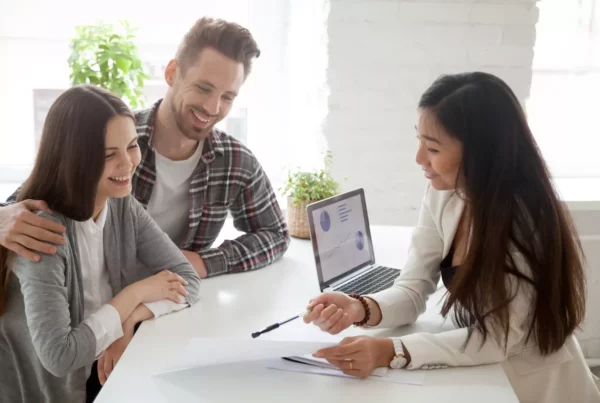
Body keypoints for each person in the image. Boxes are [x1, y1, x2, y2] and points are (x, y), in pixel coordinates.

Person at [303, 72, 600, 402]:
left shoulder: (523, 220)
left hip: (531, 386)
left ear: (481, 154)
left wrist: (389, 350)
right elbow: (413, 288)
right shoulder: (444, 193)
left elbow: (498, 338)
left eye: (432, 147)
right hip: (480, 372)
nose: (419, 159)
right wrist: (359, 307)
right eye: (419, 141)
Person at [0, 17, 290, 279]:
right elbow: (22, 201)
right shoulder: (111, 138)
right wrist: (2, 218)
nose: (213, 108)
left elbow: (276, 234)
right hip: (94, 308)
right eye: (203, 88)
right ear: (172, 73)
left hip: (166, 305)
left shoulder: (235, 162)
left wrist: (205, 262)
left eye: (227, 97)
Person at [0, 85, 202, 403]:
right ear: (74, 159)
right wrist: (132, 295)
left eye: (132, 146)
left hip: (108, 368)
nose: (128, 164)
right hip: (61, 389)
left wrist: (129, 320)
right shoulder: (42, 229)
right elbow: (60, 357)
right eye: (109, 155)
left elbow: (186, 279)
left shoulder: (121, 205)